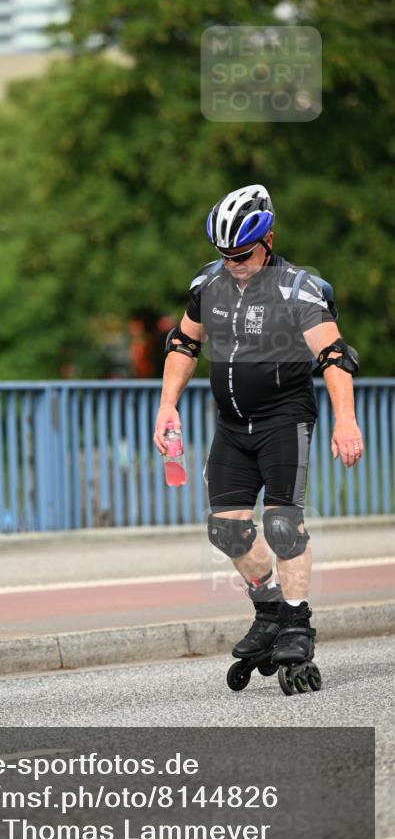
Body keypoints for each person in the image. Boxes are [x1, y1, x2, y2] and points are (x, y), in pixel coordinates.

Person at [153, 184, 363, 693]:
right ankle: (268, 610)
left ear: (268, 239)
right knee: (226, 532)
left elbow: (334, 357)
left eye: (242, 254)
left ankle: (296, 622)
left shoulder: (299, 289)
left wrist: (346, 419)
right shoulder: (208, 285)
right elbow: (184, 342)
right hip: (231, 427)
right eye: (225, 255)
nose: (233, 264)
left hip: (283, 421)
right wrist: (166, 405)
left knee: (283, 525)